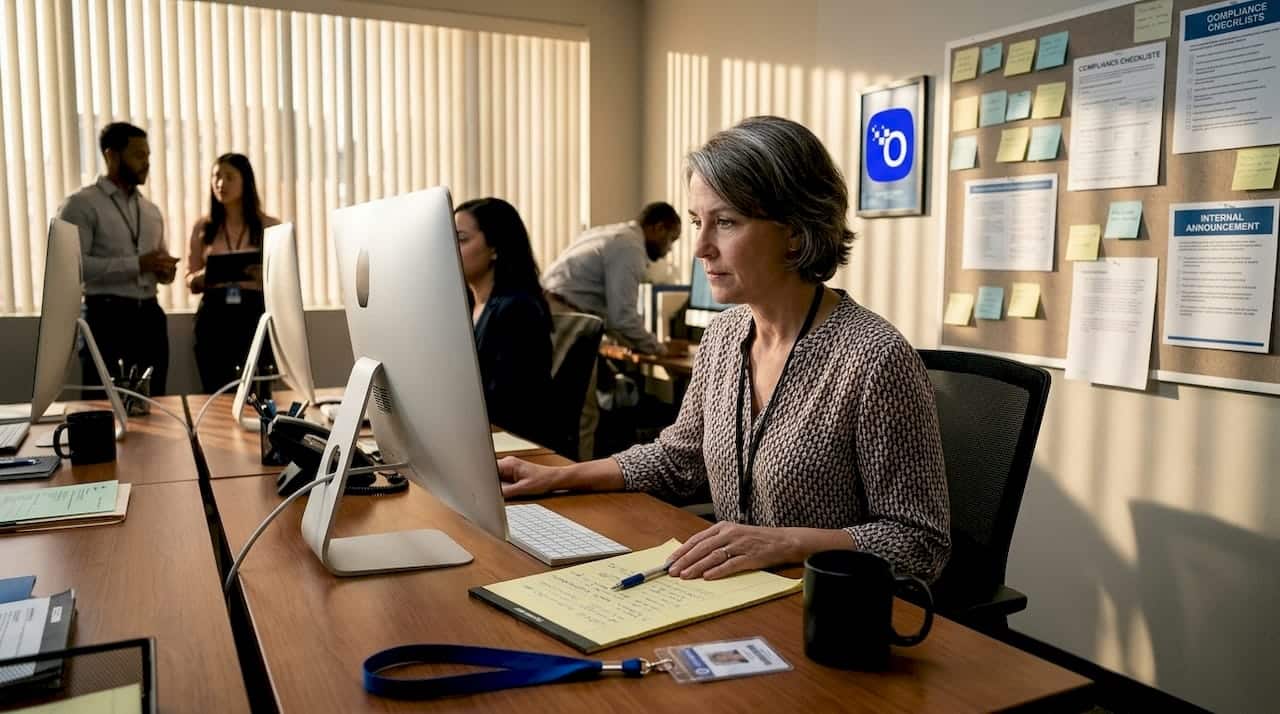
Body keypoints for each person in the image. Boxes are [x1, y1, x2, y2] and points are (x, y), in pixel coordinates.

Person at [499, 116, 950, 583]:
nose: (700, 247)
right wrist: (557, 477)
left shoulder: (874, 357)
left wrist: (787, 543)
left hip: (823, 604)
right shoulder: (722, 336)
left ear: (795, 231)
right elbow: (677, 458)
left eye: (726, 222)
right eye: (698, 222)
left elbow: (919, 543)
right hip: (732, 590)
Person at [58, 122, 178, 395]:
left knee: (154, 402)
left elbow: (157, 258)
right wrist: (137, 264)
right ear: (111, 156)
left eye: (148, 155)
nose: (146, 163)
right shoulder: (80, 204)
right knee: (102, 403)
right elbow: (73, 267)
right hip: (106, 318)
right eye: (138, 155)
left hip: (150, 316)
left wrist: (164, 271)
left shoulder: (151, 210)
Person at [455, 198, 554, 445]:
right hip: (475, 438)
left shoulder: (518, 310)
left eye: (461, 239)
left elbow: (507, 403)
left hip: (508, 445)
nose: (450, 247)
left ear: (495, 248)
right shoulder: (467, 306)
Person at [185, 154, 282, 393]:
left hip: (254, 311)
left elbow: (283, 279)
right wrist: (202, 276)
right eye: (216, 176)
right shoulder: (203, 227)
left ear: (245, 181)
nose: (221, 183)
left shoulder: (269, 226)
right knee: (217, 391)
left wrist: (263, 276)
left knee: (258, 390)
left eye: (229, 177)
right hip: (214, 314)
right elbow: (189, 279)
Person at [541, 202, 682, 356]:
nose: (670, 248)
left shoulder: (610, 234)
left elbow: (613, 318)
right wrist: (661, 349)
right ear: (659, 228)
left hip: (549, 307)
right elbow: (623, 319)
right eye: (671, 239)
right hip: (562, 315)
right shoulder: (630, 248)